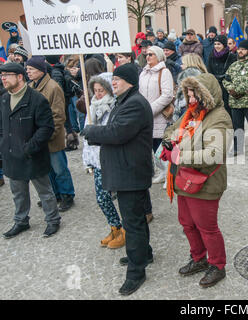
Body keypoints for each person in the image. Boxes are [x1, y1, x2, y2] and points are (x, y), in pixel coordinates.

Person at [82, 63, 154, 296]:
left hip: (130, 172)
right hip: (128, 170)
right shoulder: (125, 100)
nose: (113, 82)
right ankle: (145, 254)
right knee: (137, 219)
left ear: (130, 81)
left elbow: (117, 132)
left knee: (132, 224)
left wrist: (91, 132)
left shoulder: (133, 104)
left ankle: (136, 272)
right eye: (112, 79)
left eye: (118, 79)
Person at [162, 72, 232, 288]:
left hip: (205, 182)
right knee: (187, 224)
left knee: (206, 227)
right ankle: (199, 257)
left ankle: (217, 265)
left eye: (195, 95)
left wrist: (179, 155)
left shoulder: (219, 117)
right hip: (184, 179)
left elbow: (214, 153)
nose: (190, 100)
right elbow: (171, 130)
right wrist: (169, 141)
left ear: (207, 95)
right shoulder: (191, 114)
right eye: (189, 95)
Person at [0, 63, 61, 239]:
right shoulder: (4, 99)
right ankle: (21, 221)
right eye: (2, 75)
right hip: (11, 155)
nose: (3, 78)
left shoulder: (36, 99)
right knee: (18, 192)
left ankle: (53, 220)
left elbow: (46, 128)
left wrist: (29, 148)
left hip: (32, 156)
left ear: (20, 77)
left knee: (45, 191)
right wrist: (4, 145)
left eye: (7, 75)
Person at [27, 56, 76, 212]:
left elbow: (59, 115)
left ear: (41, 71)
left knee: (59, 168)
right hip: (39, 136)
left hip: (52, 136)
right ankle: (55, 194)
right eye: (27, 69)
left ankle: (67, 195)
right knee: (47, 169)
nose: (28, 72)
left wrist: (48, 134)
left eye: (31, 69)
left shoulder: (53, 87)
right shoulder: (31, 86)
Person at [82, 75, 124, 249]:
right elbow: (86, 135)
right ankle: (115, 227)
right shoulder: (92, 107)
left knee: (117, 197)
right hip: (97, 159)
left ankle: (124, 230)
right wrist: (87, 159)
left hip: (110, 159)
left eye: (102, 90)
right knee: (101, 198)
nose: (98, 94)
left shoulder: (114, 107)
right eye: (96, 90)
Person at [139, 46, 174, 188]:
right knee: (153, 149)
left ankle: (168, 174)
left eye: (151, 55)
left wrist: (150, 109)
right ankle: (161, 171)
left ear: (158, 56)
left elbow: (167, 95)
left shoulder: (164, 72)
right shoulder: (143, 72)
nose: (148, 57)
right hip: (146, 117)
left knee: (161, 148)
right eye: (147, 55)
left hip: (159, 116)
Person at [223, 40, 248, 158]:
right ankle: (237, 148)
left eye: (243, 49)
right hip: (235, 102)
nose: (240, 51)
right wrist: (231, 89)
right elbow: (226, 79)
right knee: (237, 127)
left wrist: (238, 91)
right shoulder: (234, 65)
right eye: (239, 49)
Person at [207, 35, 237, 117]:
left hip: (227, 87)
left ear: (224, 45)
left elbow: (233, 72)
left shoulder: (231, 56)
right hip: (215, 86)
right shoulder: (211, 55)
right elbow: (209, 70)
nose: (216, 46)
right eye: (215, 44)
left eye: (219, 44)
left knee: (228, 111)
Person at [173, 53, 207, 122]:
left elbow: (185, 93)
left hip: (186, 107)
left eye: (183, 63)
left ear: (189, 63)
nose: (181, 65)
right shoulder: (202, 74)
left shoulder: (189, 73)